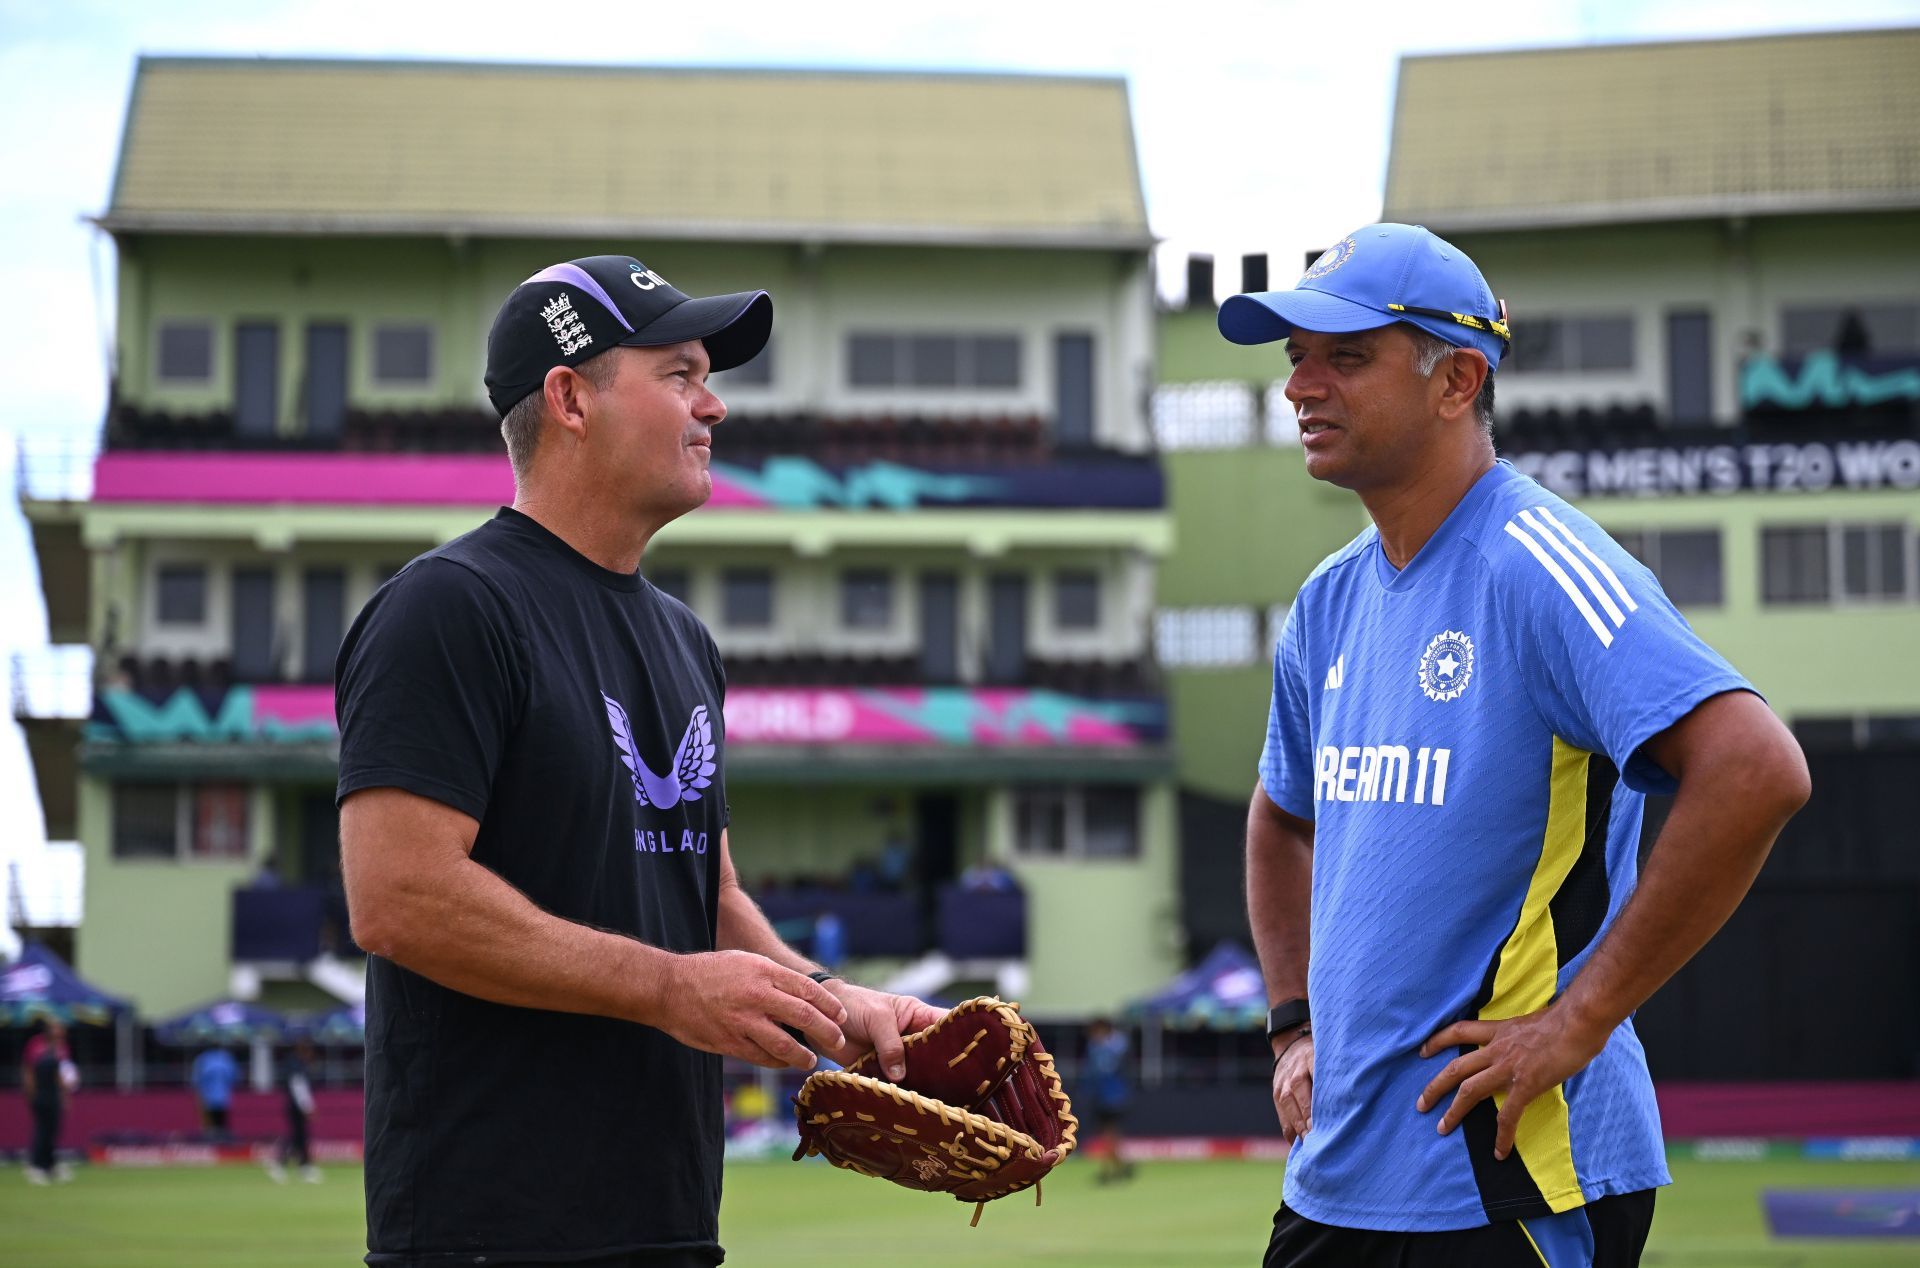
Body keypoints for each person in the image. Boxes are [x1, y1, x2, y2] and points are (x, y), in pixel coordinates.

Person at [1219, 223, 1810, 1267]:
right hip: (1336, 1181)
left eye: (1345, 356)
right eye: (1295, 357)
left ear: (1458, 380)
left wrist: (1577, 1020)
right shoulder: (1326, 602)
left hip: (1506, 1175)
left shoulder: (1539, 564)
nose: (1301, 385)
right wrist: (1292, 1025)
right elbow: (1279, 814)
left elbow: (1755, 768)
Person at [336, 254, 942, 1267]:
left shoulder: (685, 639)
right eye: (679, 373)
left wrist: (839, 1007)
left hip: (667, 1219)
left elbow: (704, 896)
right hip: (489, 1232)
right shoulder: (447, 608)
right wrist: (668, 988)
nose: (714, 406)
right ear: (570, 398)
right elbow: (397, 898)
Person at [21, 1016, 77, 1184]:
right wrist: (31, 1093)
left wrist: (65, 1094)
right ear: (48, 1030)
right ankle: (36, 1166)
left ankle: (50, 1165)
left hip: (54, 1095)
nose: (60, 1031)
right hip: (41, 1094)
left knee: (53, 1130)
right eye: (56, 1027)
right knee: (42, 1130)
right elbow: (28, 1071)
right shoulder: (36, 1044)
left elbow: (64, 1073)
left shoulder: (62, 1047)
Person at [1083, 1017, 1135, 1185]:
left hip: (1113, 1097)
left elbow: (1106, 1069)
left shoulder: (1115, 1046)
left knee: (1109, 1135)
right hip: (1101, 1096)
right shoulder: (1096, 1047)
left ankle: (1108, 1170)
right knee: (1110, 1136)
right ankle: (1122, 1166)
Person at [266, 1037, 320, 1184]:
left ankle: (302, 1166)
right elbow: (299, 1087)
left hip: (293, 1105)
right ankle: (284, 1163)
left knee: (299, 1136)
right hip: (296, 1106)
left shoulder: (293, 1063)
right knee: (298, 1136)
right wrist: (307, 1107)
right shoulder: (296, 1065)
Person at [190, 1044, 239, 1139]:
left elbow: (196, 1080)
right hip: (222, 1097)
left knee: (210, 1124)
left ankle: (212, 1139)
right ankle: (220, 1140)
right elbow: (233, 1077)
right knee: (221, 1122)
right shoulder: (225, 1058)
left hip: (208, 1097)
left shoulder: (203, 1059)